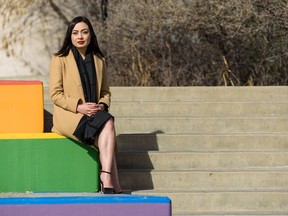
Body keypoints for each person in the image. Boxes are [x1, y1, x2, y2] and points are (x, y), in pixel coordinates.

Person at [49, 16, 122, 194]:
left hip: (95, 113)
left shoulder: (99, 60)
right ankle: (113, 182)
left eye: (84, 32)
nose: (80, 36)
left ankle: (106, 177)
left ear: (90, 35)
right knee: (107, 129)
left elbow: (106, 92)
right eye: (75, 33)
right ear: (70, 36)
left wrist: (102, 106)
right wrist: (79, 106)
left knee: (108, 122)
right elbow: (55, 94)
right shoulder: (60, 59)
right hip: (71, 115)